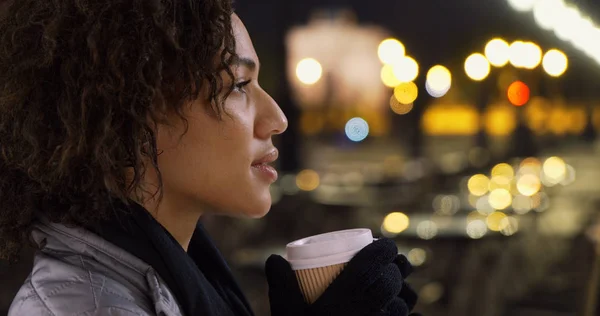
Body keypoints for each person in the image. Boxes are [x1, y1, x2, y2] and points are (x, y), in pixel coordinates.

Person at [0, 0, 419, 315]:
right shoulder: (86, 306)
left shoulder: (184, 276)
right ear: (125, 109)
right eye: (237, 85)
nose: (276, 118)